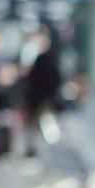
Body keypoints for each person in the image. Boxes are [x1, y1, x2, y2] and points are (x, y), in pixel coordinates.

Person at [17, 25, 61, 156]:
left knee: (45, 128)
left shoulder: (47, 58)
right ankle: (34, 152)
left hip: (42, 101)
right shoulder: (38, 58)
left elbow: (53, 80)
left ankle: (45, 152)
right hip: (37, 100)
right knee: (34, 128)